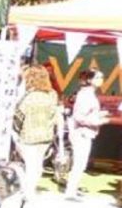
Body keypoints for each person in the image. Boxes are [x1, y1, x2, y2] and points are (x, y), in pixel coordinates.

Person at [13, 67, 63, 199]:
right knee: (37, 166)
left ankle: (26, 193)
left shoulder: (28, 96)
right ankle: (30, 190)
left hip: (28, 137)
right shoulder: (52, 95)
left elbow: (18, 116)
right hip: (45, 137)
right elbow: (55, 117)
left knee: (29, 166)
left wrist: (16, 134)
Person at [65, 69, 110, 198]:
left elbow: (86, 113)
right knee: (79, 163)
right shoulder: (85, 95)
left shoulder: (88, 94)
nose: (100, 80)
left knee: (81, 163)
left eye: (101, 78)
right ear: (89, 80)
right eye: (97, 78)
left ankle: (73, 188)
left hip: (84, 132)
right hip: (81, 133)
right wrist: (99, 121)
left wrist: (101, 114)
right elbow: (79, 116)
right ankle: (70, 192)